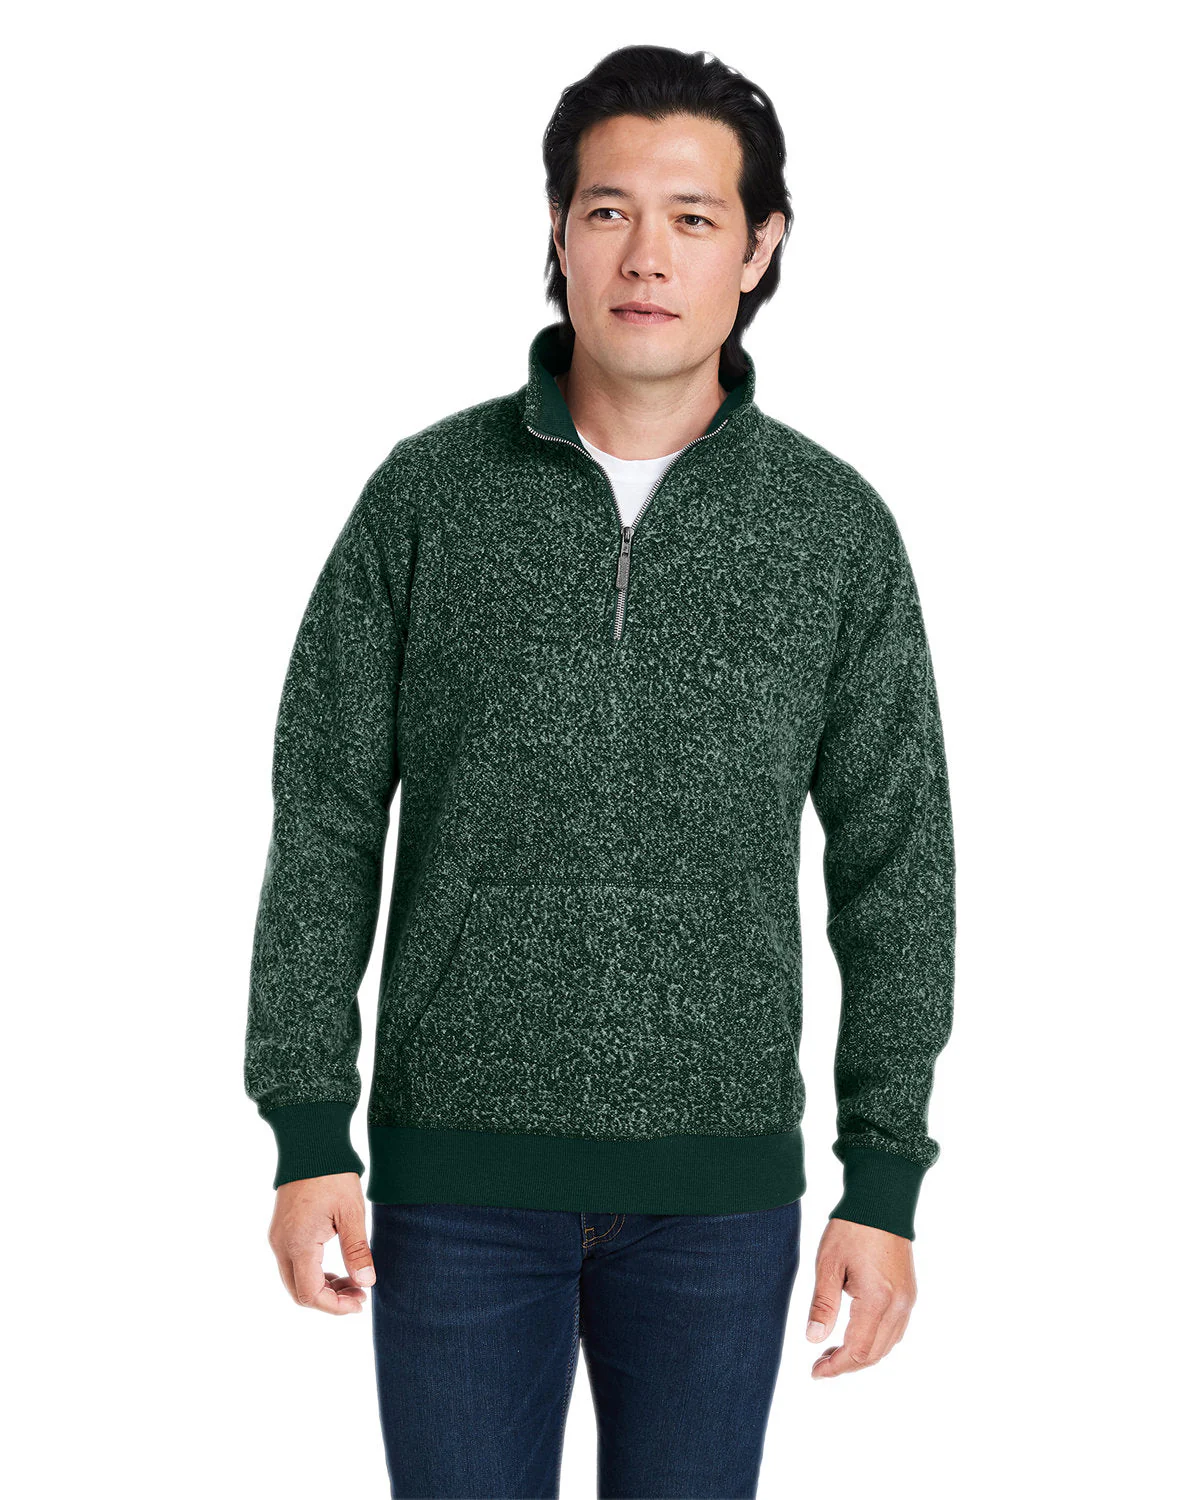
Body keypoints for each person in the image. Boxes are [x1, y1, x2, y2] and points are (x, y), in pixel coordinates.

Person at [244, 43, 955, 1500]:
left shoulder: (833, 530)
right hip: (453, 1185)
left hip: (719, 1196)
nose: (647, 255)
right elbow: (323, 812)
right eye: (608, 210)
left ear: (760, 247)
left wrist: (883, 1178)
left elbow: (901, 865)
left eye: (694, 216)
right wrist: (308, 1125)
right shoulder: (428, 497)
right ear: (559, 230)